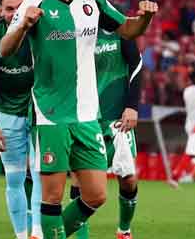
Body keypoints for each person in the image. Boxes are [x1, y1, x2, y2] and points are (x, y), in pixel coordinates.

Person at [0, 0, 158, 239]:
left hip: (88, 116)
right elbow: (5, 49)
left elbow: (127, 28)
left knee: (96, 195)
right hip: (51, 116)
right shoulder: (34, 3)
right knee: (53, 198)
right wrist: (22, 26)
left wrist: (146, 18)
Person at [0, 0, 43, 239]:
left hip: (40, 112)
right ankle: (21, 235)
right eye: (9, 9)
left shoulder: (41, 30)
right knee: (15, 179)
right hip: (7, 113)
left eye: (20, 7)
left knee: (41, 175)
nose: (16, 13)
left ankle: (37, 233)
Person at [82, 29, 143, 239]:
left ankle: (124, 230)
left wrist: (132, 106)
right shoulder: (78, 31)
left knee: (128, 178)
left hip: (117, 117)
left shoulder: (122, 32)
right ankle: (82, 236)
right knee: (80, 178)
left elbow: (137, 65)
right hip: (86, 117)